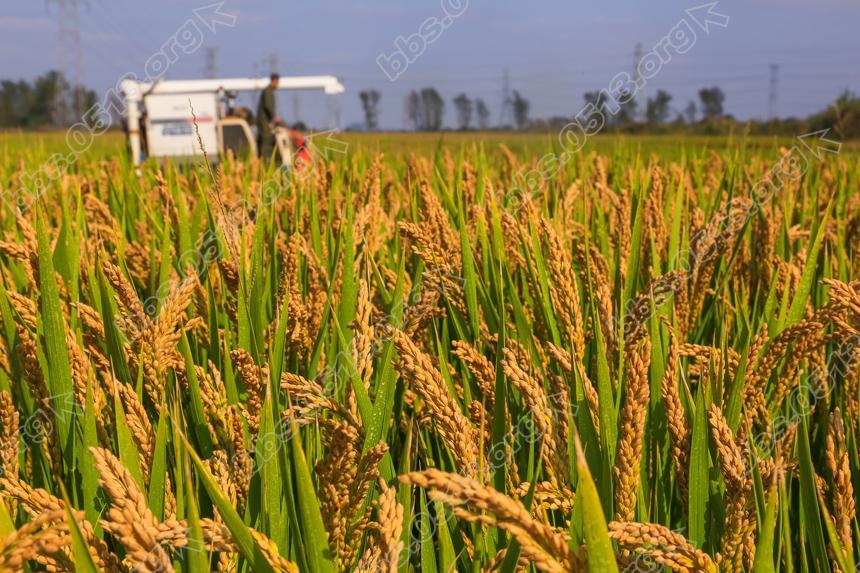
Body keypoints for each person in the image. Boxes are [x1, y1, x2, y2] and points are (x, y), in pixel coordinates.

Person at [256, 73, 281, 160]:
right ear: (273, 81)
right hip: (264, 120)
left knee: (266, 137)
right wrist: (274, 116)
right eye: (277, 82)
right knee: (266, 138)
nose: (278, 84)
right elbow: (268, 105)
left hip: (265, 120)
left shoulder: (268, 91)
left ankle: (264, 157)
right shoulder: (268, 91)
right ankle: (265, 158)